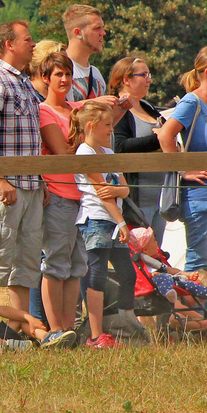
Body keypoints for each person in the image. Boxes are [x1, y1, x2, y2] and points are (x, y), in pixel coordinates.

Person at [0, 20, 43, 315]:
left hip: (29, 184)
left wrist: (40, 181)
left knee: (26, 265)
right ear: (9, 45)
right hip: (6, 186)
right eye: (28, 39)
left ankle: (18, 328)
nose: (34, 44)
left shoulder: (24, 81)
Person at [157, 47, 207, 301]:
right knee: (199, 261)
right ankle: (189, 320)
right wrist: (183, 170)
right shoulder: (192, 101)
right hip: (201, 193)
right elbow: (165, 134)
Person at [71, 103, 132, 349]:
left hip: (112, 220)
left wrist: (117, 190)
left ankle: (125, 325)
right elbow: (102, 192)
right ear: (91, 126)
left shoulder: (108, 153)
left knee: (127, 272)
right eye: (107, 125)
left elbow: (124, 189)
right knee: (97, 274)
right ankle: (96, 335)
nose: (111, 129)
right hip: (96, 219)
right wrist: (121, 221)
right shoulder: (84, 153)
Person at [35, 47, 83, 335]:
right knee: (55, 263)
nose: (64, 79)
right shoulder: (44, 111)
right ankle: (55, 329)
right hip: (58, 194)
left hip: (83, 196)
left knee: (77, 266)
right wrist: (85, 142)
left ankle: (69, 326)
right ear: (45, 78)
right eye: (58, 74)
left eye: (68, 74)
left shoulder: (76, 109)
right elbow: (62, 151)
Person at [109, 55, 166, 244]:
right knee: (139, 255)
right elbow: (119, 146)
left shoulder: (149, 107)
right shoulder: (120, 109)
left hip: (160, 198)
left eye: (149, 74)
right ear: (126, 79)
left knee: (157, 255)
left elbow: (168, 134)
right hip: (137, 201)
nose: (149, 79)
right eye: (144, 74)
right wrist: (157, 139)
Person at [62, 4, 114, 105]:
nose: (103, 33)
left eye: (102, 28)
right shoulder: (58, 70)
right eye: (96, 28)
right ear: (78, 33)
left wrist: (121, 108)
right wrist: (93, 102)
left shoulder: (96, 74)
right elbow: (56, 110)